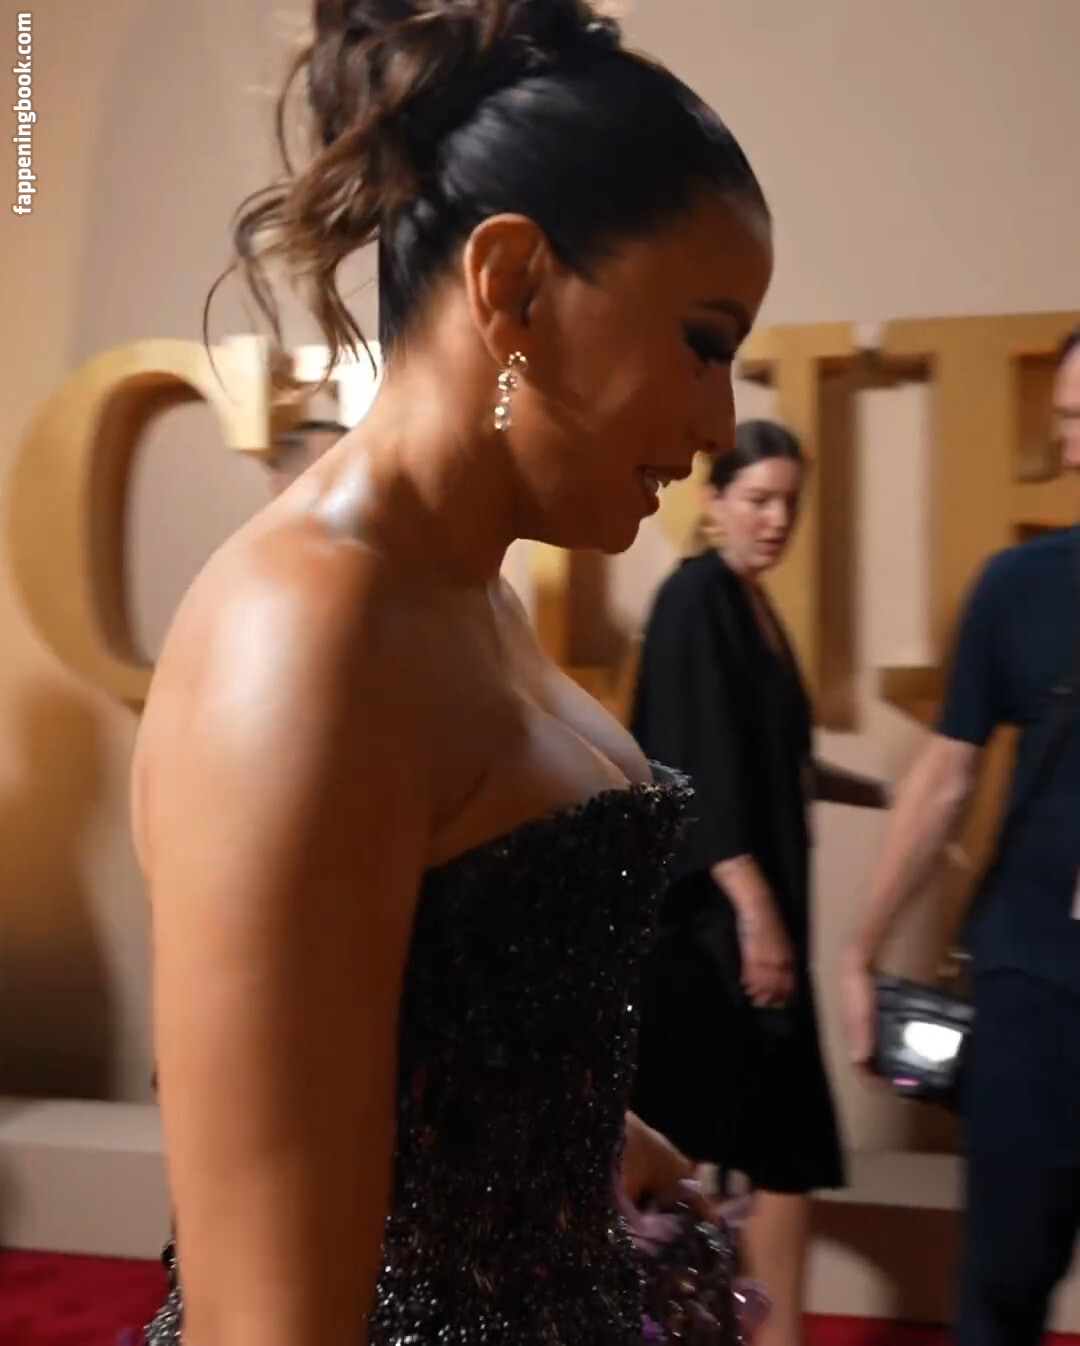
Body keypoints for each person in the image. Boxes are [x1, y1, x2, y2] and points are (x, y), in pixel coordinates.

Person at [132, 1, 774, 1342]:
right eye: (704, 341)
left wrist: (581, 1136)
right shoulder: (305, 637)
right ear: (514, 285)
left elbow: (430, 1022)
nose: (720, 421)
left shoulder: (464, 596)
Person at [842, 326, 1080, 1346]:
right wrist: (861, 949)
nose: (1068, 444)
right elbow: (944, 776)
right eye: (1064, 419)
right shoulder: (1019, 585)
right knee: (1003, 1282)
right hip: (1034, 984)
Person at [630, 421, 889, 1346]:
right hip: (711, 937)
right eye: (758, 500)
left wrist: (886, 795)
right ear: (714, 502)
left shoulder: (748, 603)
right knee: (729, 1151)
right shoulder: (698, 595)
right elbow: (690, 765)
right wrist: (757, 917)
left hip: (746, 924)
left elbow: (771, 760)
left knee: (776, 1150)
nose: (777, 519)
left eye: (790, 503)